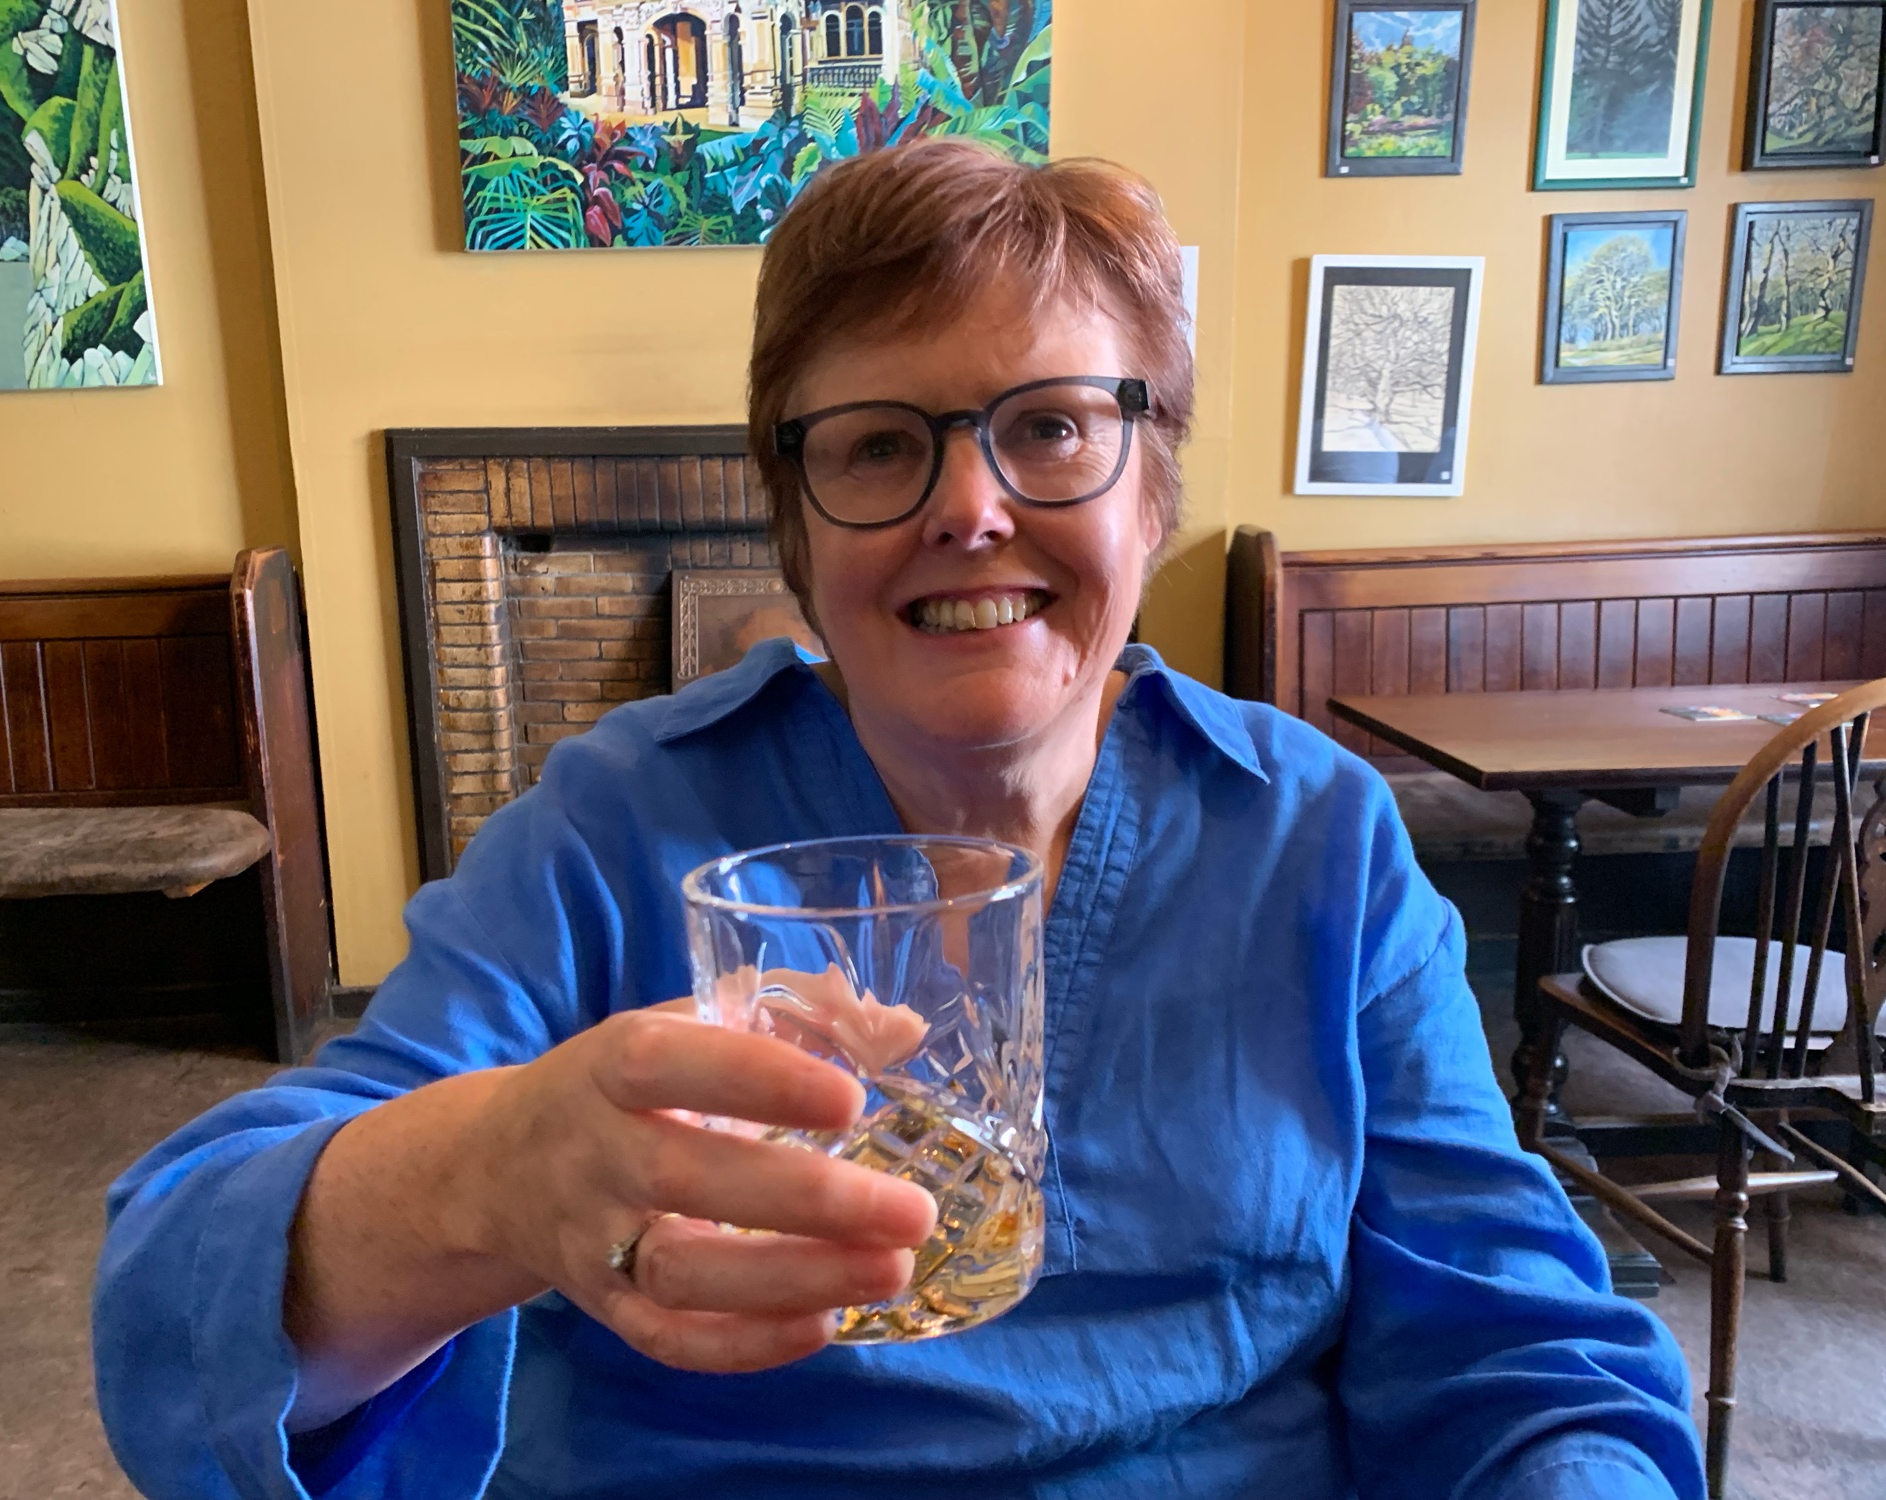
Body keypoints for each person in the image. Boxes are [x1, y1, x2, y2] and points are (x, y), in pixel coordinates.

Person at [94, 141, 1702, 1499]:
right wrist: (491, 1179)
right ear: (797, 528)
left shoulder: (1319, 843)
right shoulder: (614, 830)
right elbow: (171, 1303)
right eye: (878, 446)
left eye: (1051, 426)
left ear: (1152, 485)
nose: (969, 507)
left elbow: (1518, 1347)